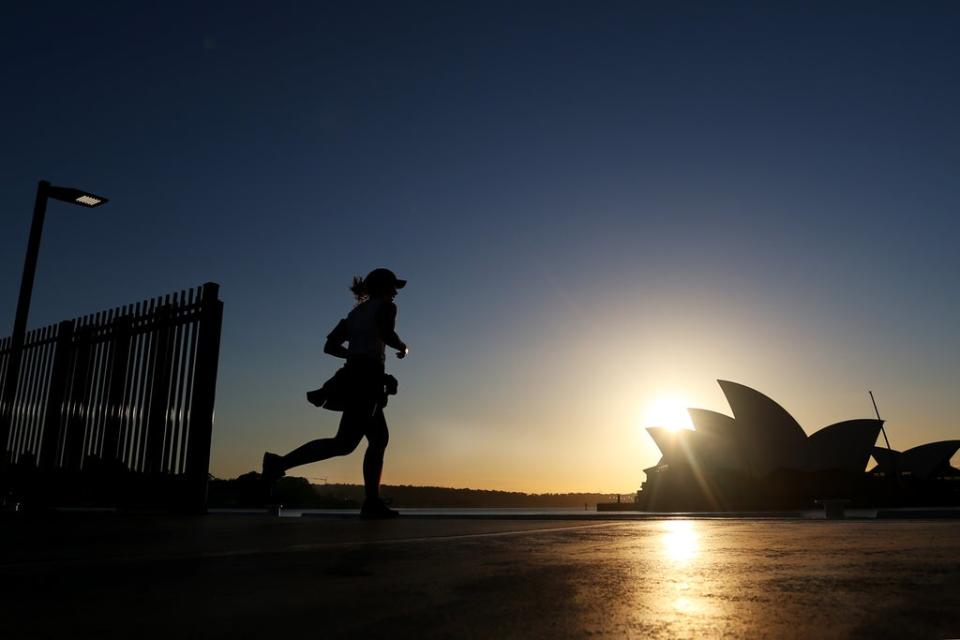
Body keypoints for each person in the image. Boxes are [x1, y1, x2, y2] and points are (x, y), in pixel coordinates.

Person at [262, 268, 409, 519]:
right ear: (383, 288)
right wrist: (402, 347)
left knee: (360, 441)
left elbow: (330, 346)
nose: (395, 293)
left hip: (354, 377)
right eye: (392, 287)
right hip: (366, 380)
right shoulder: (386, 307)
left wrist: (353, 356)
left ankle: (280, 464)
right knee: (360, 441)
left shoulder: (354, 314)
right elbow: (386, 334)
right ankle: (370, 502)